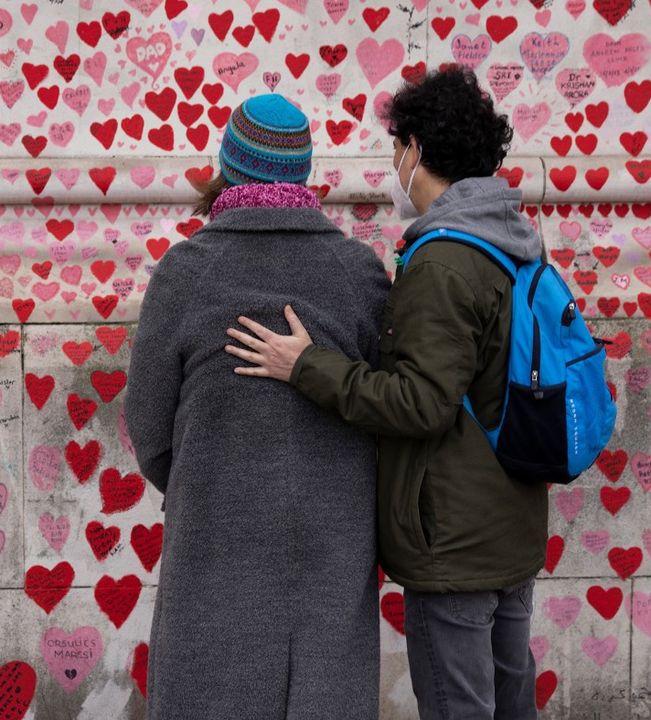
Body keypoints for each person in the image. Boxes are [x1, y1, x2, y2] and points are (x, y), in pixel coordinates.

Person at [224, 67, 547, 720]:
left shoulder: (443, 260)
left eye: (397, 147)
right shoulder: (513, 242)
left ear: (417, 152)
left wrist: (306, 365)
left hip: (451, 542)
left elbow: (421, 402)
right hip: (509, 527)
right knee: (510, 701)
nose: (393, 163)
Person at [124, 93, 390, 719]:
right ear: (302, 173)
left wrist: (204, 485)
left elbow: (148, 423)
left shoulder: (187, 271)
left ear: (229, 165)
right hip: (335, 542)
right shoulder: (358, 271)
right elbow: (389, 407)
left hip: (215, 541)